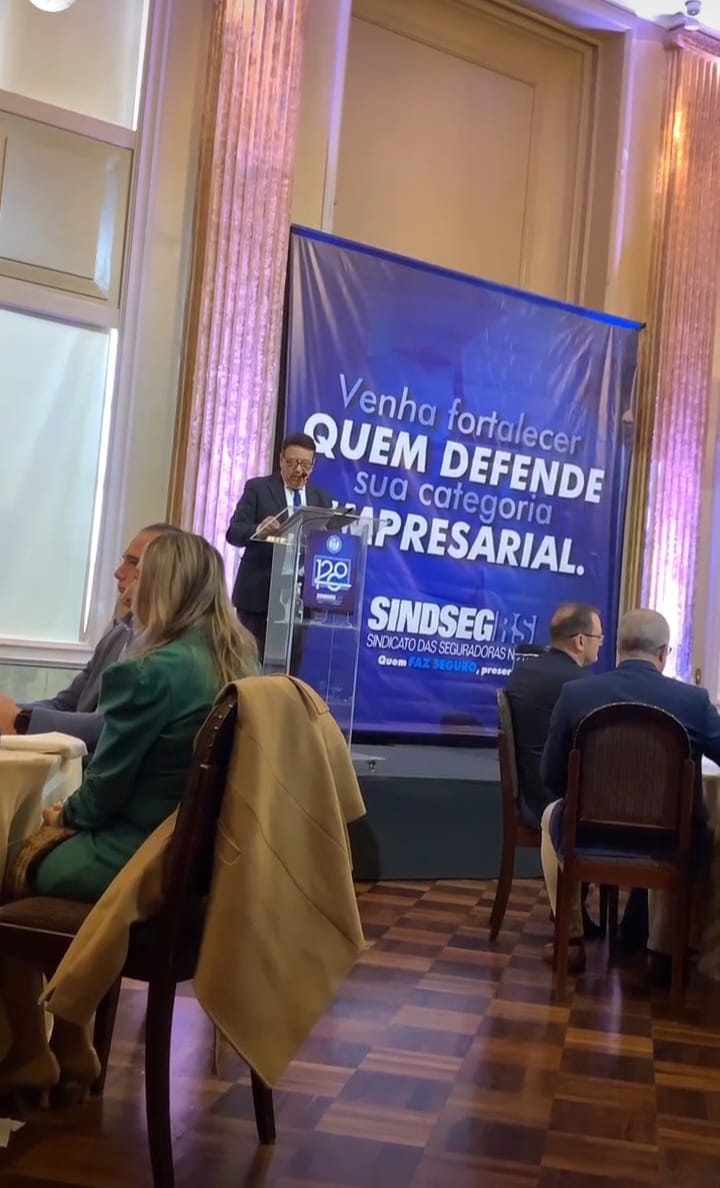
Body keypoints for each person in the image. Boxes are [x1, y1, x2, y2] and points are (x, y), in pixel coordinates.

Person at [34, 531, 258, 904]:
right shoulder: (244, 664)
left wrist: (64, 815)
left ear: (158, 587)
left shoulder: (147, 672)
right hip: (211, 859)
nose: (130, 587)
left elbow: (103, 795)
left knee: (15, 851)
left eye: (140, 576)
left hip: (139, 852)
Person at [539, 608, 720, 977]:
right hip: (668, 844)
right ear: (664, 653)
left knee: (551, 814)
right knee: (699, 827)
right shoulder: (694, 702)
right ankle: (664, 951)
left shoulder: (576, 695)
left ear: (617, 648)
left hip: (588, 837)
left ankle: (569, 939)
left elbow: (551, 776)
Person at [0, 523, 175, 751]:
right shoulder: (117, 635)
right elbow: (66, 705)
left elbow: (110, 727)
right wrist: (12, 713)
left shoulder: (168, 658)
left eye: (134, 564)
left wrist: (20, 719)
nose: (118, 572)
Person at [226, 432, 333, 657]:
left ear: (313, 465)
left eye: (305, 464)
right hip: (259, 596)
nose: (298, 469)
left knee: (291, 665)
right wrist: (259, 529)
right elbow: (233, 532)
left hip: (299, 599)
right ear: (281, 460)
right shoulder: (258, 488)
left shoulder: (321, 498)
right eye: (292, 462)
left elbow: (328, 546)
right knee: (250, 662)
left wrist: (323, 539)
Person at [505, 603, 603, 830]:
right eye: (599, 637)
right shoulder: (580, 685)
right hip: (556, 803)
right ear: (580, 641)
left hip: (530, 796)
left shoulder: (522, 672)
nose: (600, 643)